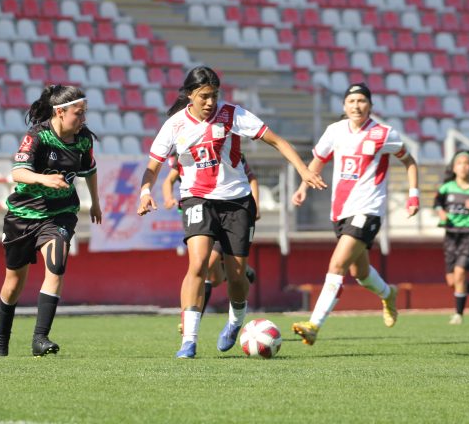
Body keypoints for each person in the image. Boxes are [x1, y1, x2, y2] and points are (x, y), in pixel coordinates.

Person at [137, 66, 326, 359]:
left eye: (214, 96)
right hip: (197, 199)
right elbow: (153, 166)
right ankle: (189, 340)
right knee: (198, 264)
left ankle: (236, 322)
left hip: (237, 201)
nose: (211, 102)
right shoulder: (174, 125)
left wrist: (303, 170)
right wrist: (146, 192)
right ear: (190, 95)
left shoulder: (233, 115)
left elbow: (277, 141)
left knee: (236, 275)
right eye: (204, 96)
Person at [291, 83, 419, 346]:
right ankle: (388, 294)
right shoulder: (335, 131)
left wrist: (414, 194)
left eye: (361, 100)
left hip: (368, 209)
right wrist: (303, 185)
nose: (356, 105)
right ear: (344, 106)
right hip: (340, 211)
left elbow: (409, 160)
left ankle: (314, 324)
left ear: (370, 105)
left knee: (337, 265)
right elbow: (319, 158)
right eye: (351, 101)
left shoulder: (384, 134)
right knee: (359, 272)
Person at [0, 85, 102, 357]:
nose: (83, 119)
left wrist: (96, 202)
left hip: (60, 214)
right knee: (13, 284)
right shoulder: (37, 136)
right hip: (23, 215)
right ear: (60, 112)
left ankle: (40, 338)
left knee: (57, 264)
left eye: (85, 113)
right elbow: (17, 173)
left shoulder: (83, 139)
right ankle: (1, 337)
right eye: (78, 113)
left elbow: (90, 170)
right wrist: (43, 178)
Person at [162, 153, 260, 324]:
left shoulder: (232, 153)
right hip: (204, 212)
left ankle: (193, 319)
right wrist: (168, 198)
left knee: (206, 265)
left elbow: (252, 179)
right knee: (212, 277)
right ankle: (236, 272)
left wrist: (256, 205)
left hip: (230, 213)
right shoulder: (186, 154)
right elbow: (168, 181)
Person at [433, 150, 469, 325]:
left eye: (467, 163)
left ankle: (458, 314)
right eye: (459, 163)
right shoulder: (446, 187)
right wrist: (441, 212)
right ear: (453, 167)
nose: (463, 166)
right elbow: (437, 204)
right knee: (452, 280)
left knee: (460, 273)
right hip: (451, 233)